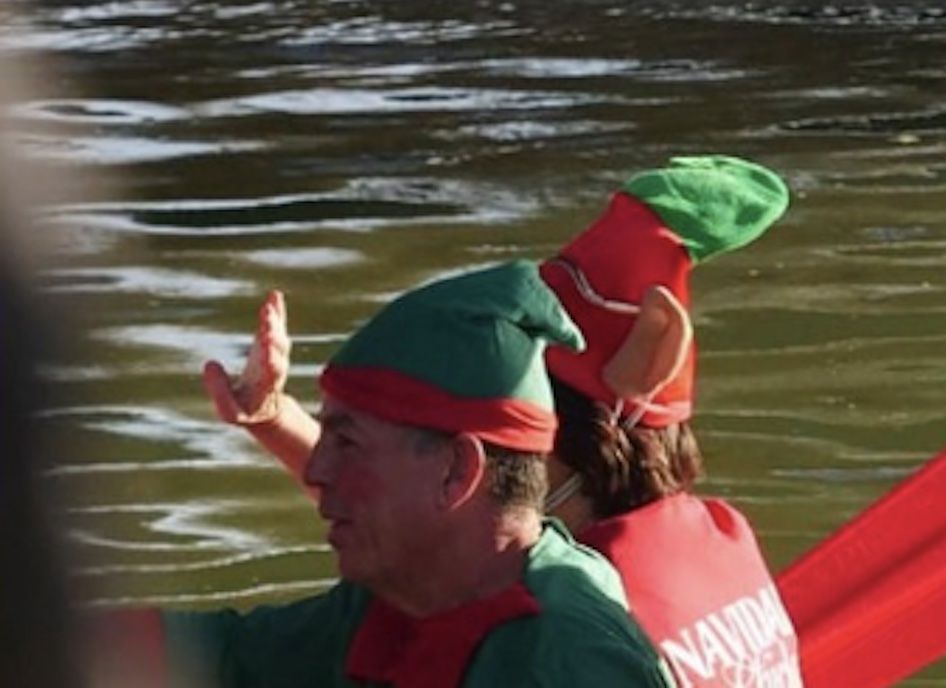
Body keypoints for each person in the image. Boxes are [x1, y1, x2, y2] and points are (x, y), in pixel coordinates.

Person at [205, 156, 802, 688]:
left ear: (549, 443)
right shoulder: (716, 535)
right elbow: (430, 505)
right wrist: (273, 417)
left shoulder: (579, 615)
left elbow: (445, 517)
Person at [111, 262, 675, 687]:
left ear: (457, 471)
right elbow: (219, 654)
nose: (319, 469)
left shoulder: (569, 661)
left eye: (347, 443)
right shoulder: (398, 596)